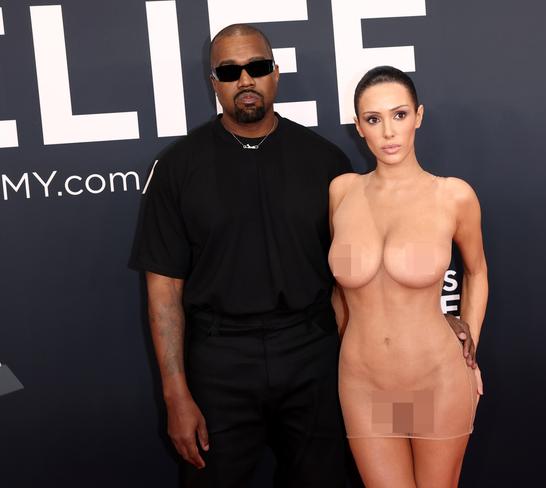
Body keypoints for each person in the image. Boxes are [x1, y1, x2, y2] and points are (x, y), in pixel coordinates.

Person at [130, 24, 476, 487]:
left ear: (275, 73)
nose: (245, 80)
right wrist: (175, 394)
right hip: (222, 363)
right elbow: (163, 289)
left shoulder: (327, 165)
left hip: (315, 358)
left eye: (256, 67)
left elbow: (374, 273)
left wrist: (450, 322)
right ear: (214, 82)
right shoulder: (177, 168)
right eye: (229, 72)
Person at [329, 66, 488, 488]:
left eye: (399, 115)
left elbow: (476, 272)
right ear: (359, 127)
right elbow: (340, 291)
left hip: (434, 379)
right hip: (364, 385)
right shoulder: (341, 193)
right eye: (373, 119)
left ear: (418, 116)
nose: (388, 132)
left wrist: (470, 342)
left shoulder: (453, 195)